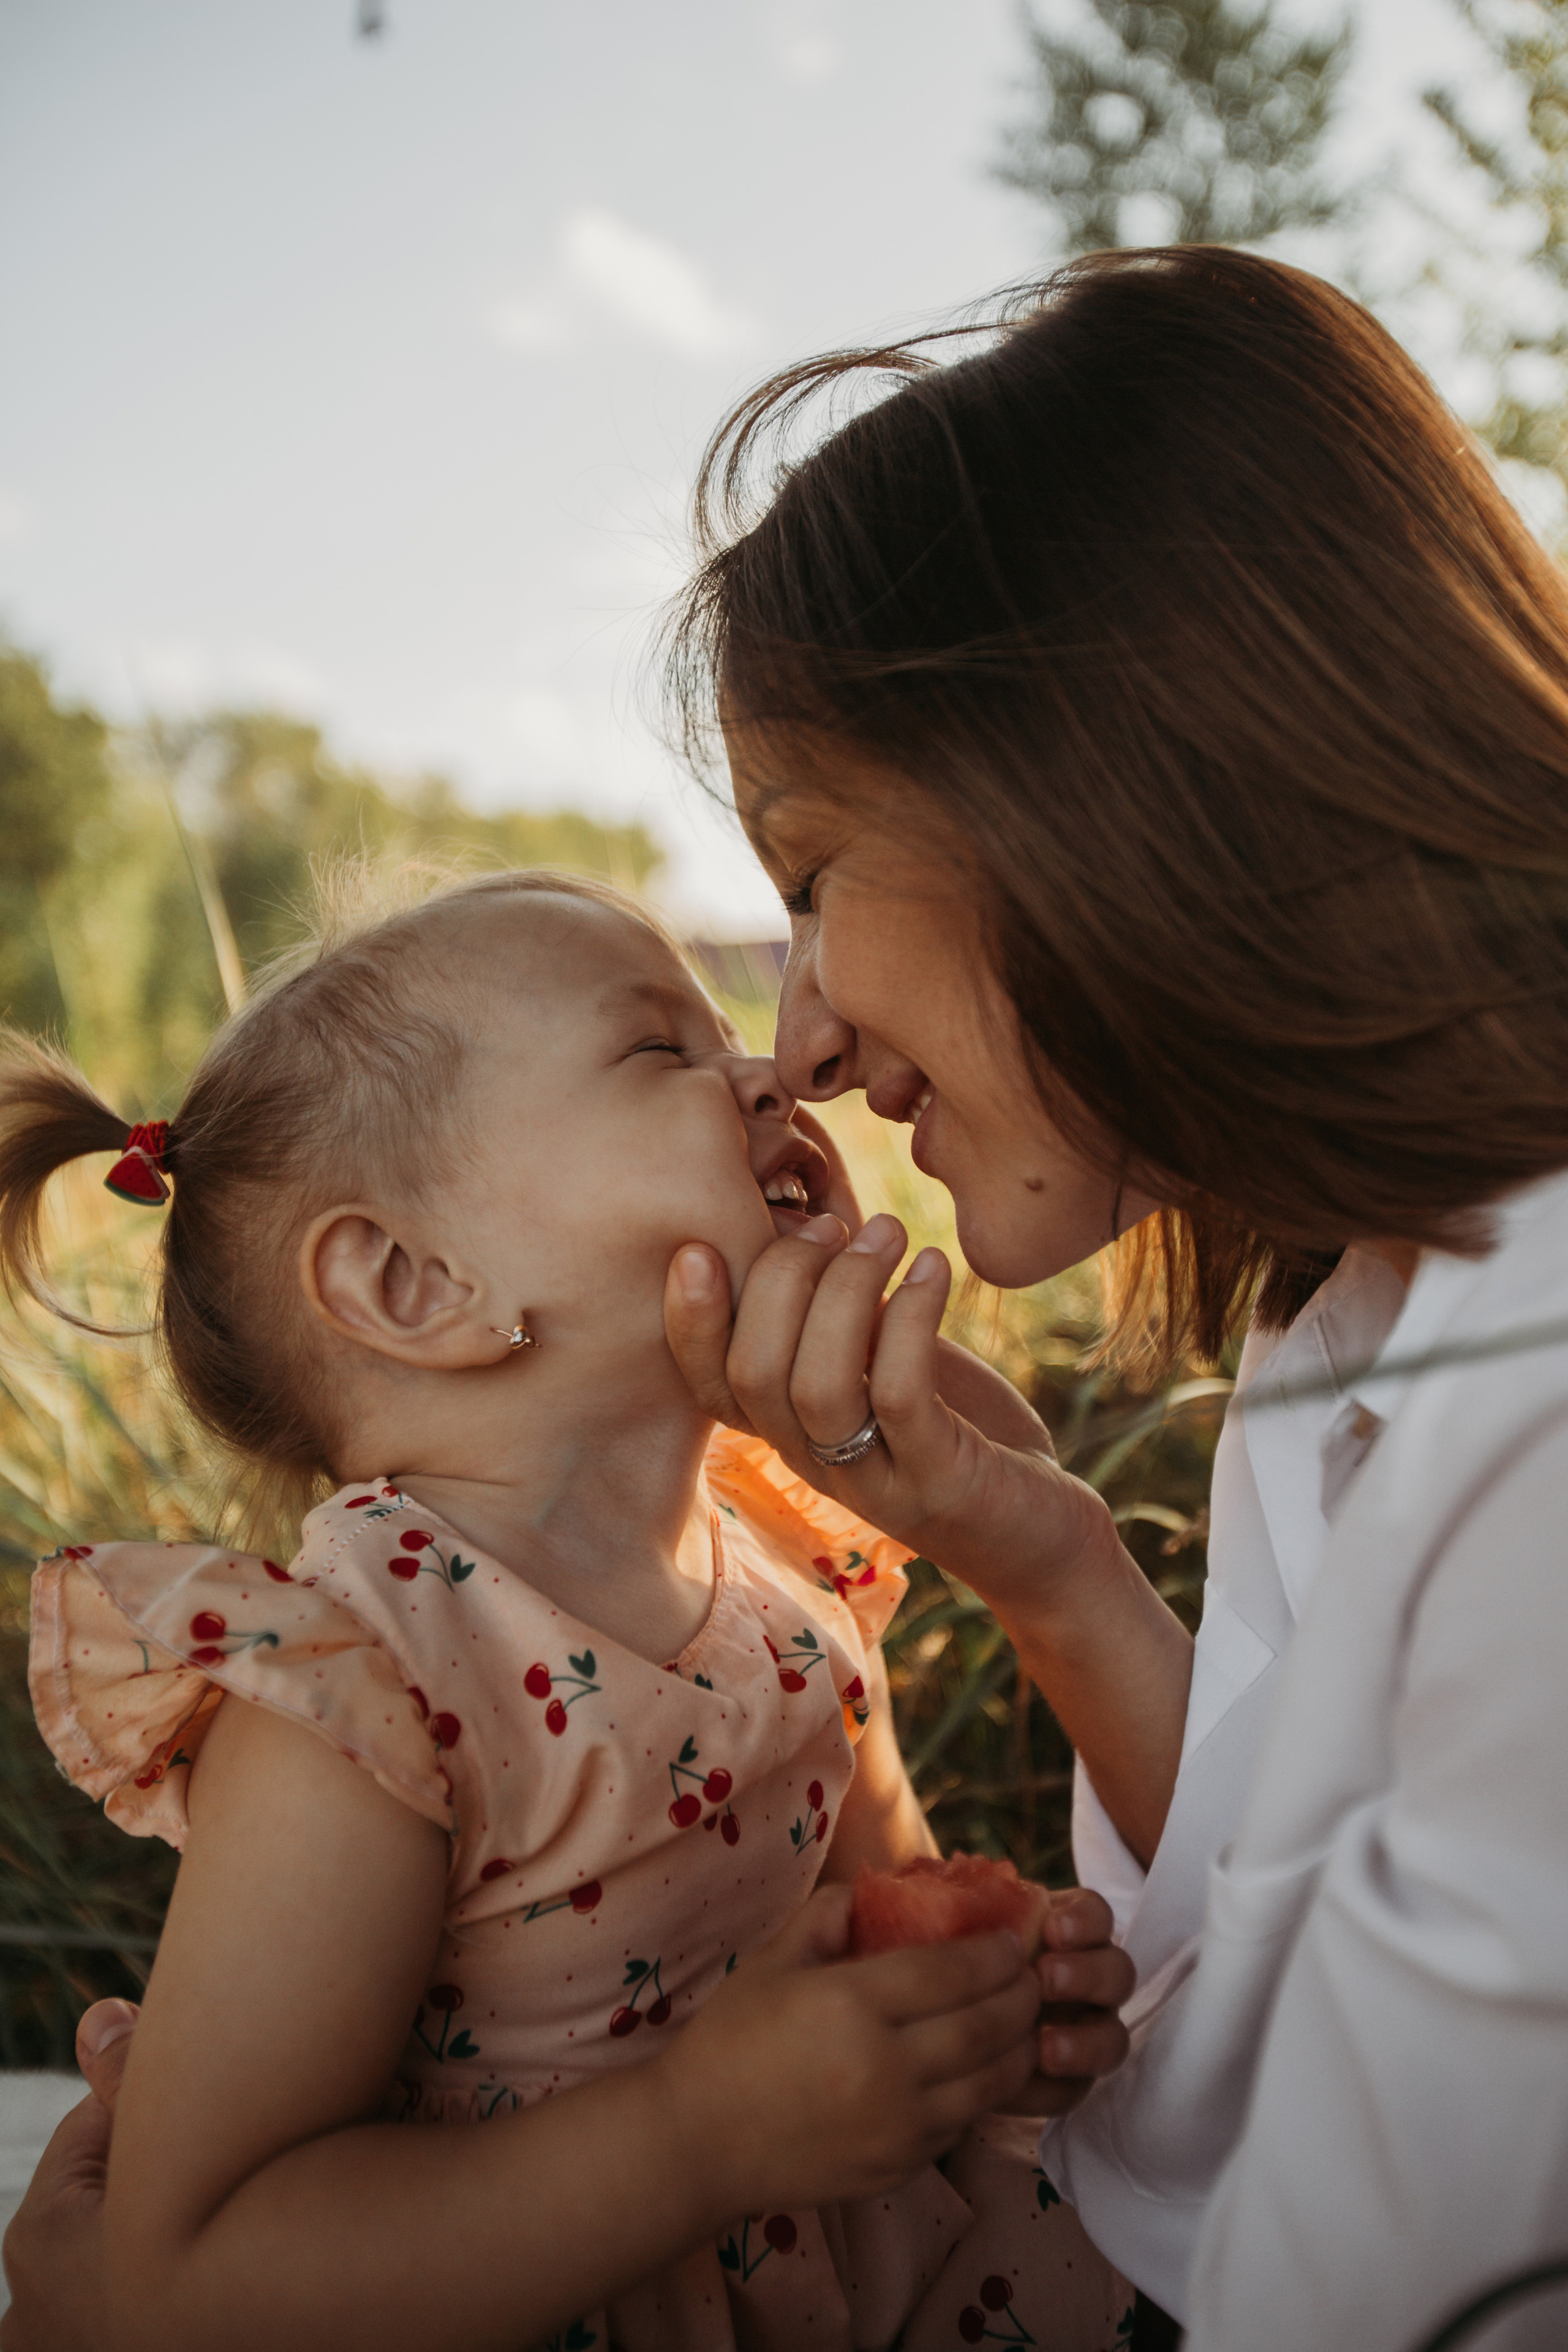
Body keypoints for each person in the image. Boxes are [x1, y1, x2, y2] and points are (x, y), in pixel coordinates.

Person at [650, 247, 1568, 2349]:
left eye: (809, 881)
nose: (793, 1043)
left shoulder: (1544, 1425)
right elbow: (1287, 1984)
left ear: (1103, 777)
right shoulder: (1374, 1301)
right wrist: (1039, 1554)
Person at [0, 867, 1135, 2352]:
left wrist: (971, 2019)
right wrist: (698, 2136)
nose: (767, 1071)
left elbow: (880, 1901)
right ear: (412, 1284)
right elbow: (192, 2272)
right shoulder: (370, 1690)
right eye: (662, 1051)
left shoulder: (779, 1561)